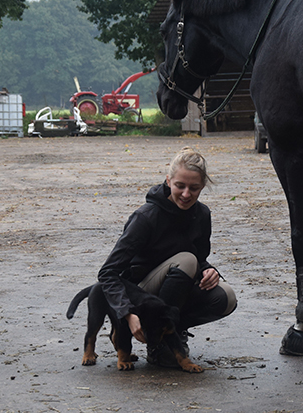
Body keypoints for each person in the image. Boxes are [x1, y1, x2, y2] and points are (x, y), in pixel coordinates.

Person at [97, 147, 237, 366]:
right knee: (186, 260)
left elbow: (199, 259)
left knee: (225, 296)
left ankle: (171, 332)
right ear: (168, 180)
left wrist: (209, 271)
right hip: (139, 292)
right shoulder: (146, 217)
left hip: (173, 284)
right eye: (180, 186)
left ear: (203, 187)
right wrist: (127, 313)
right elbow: (107, 273)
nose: (186, 194)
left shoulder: (202, 214)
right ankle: (157, 345)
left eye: (194, 188)